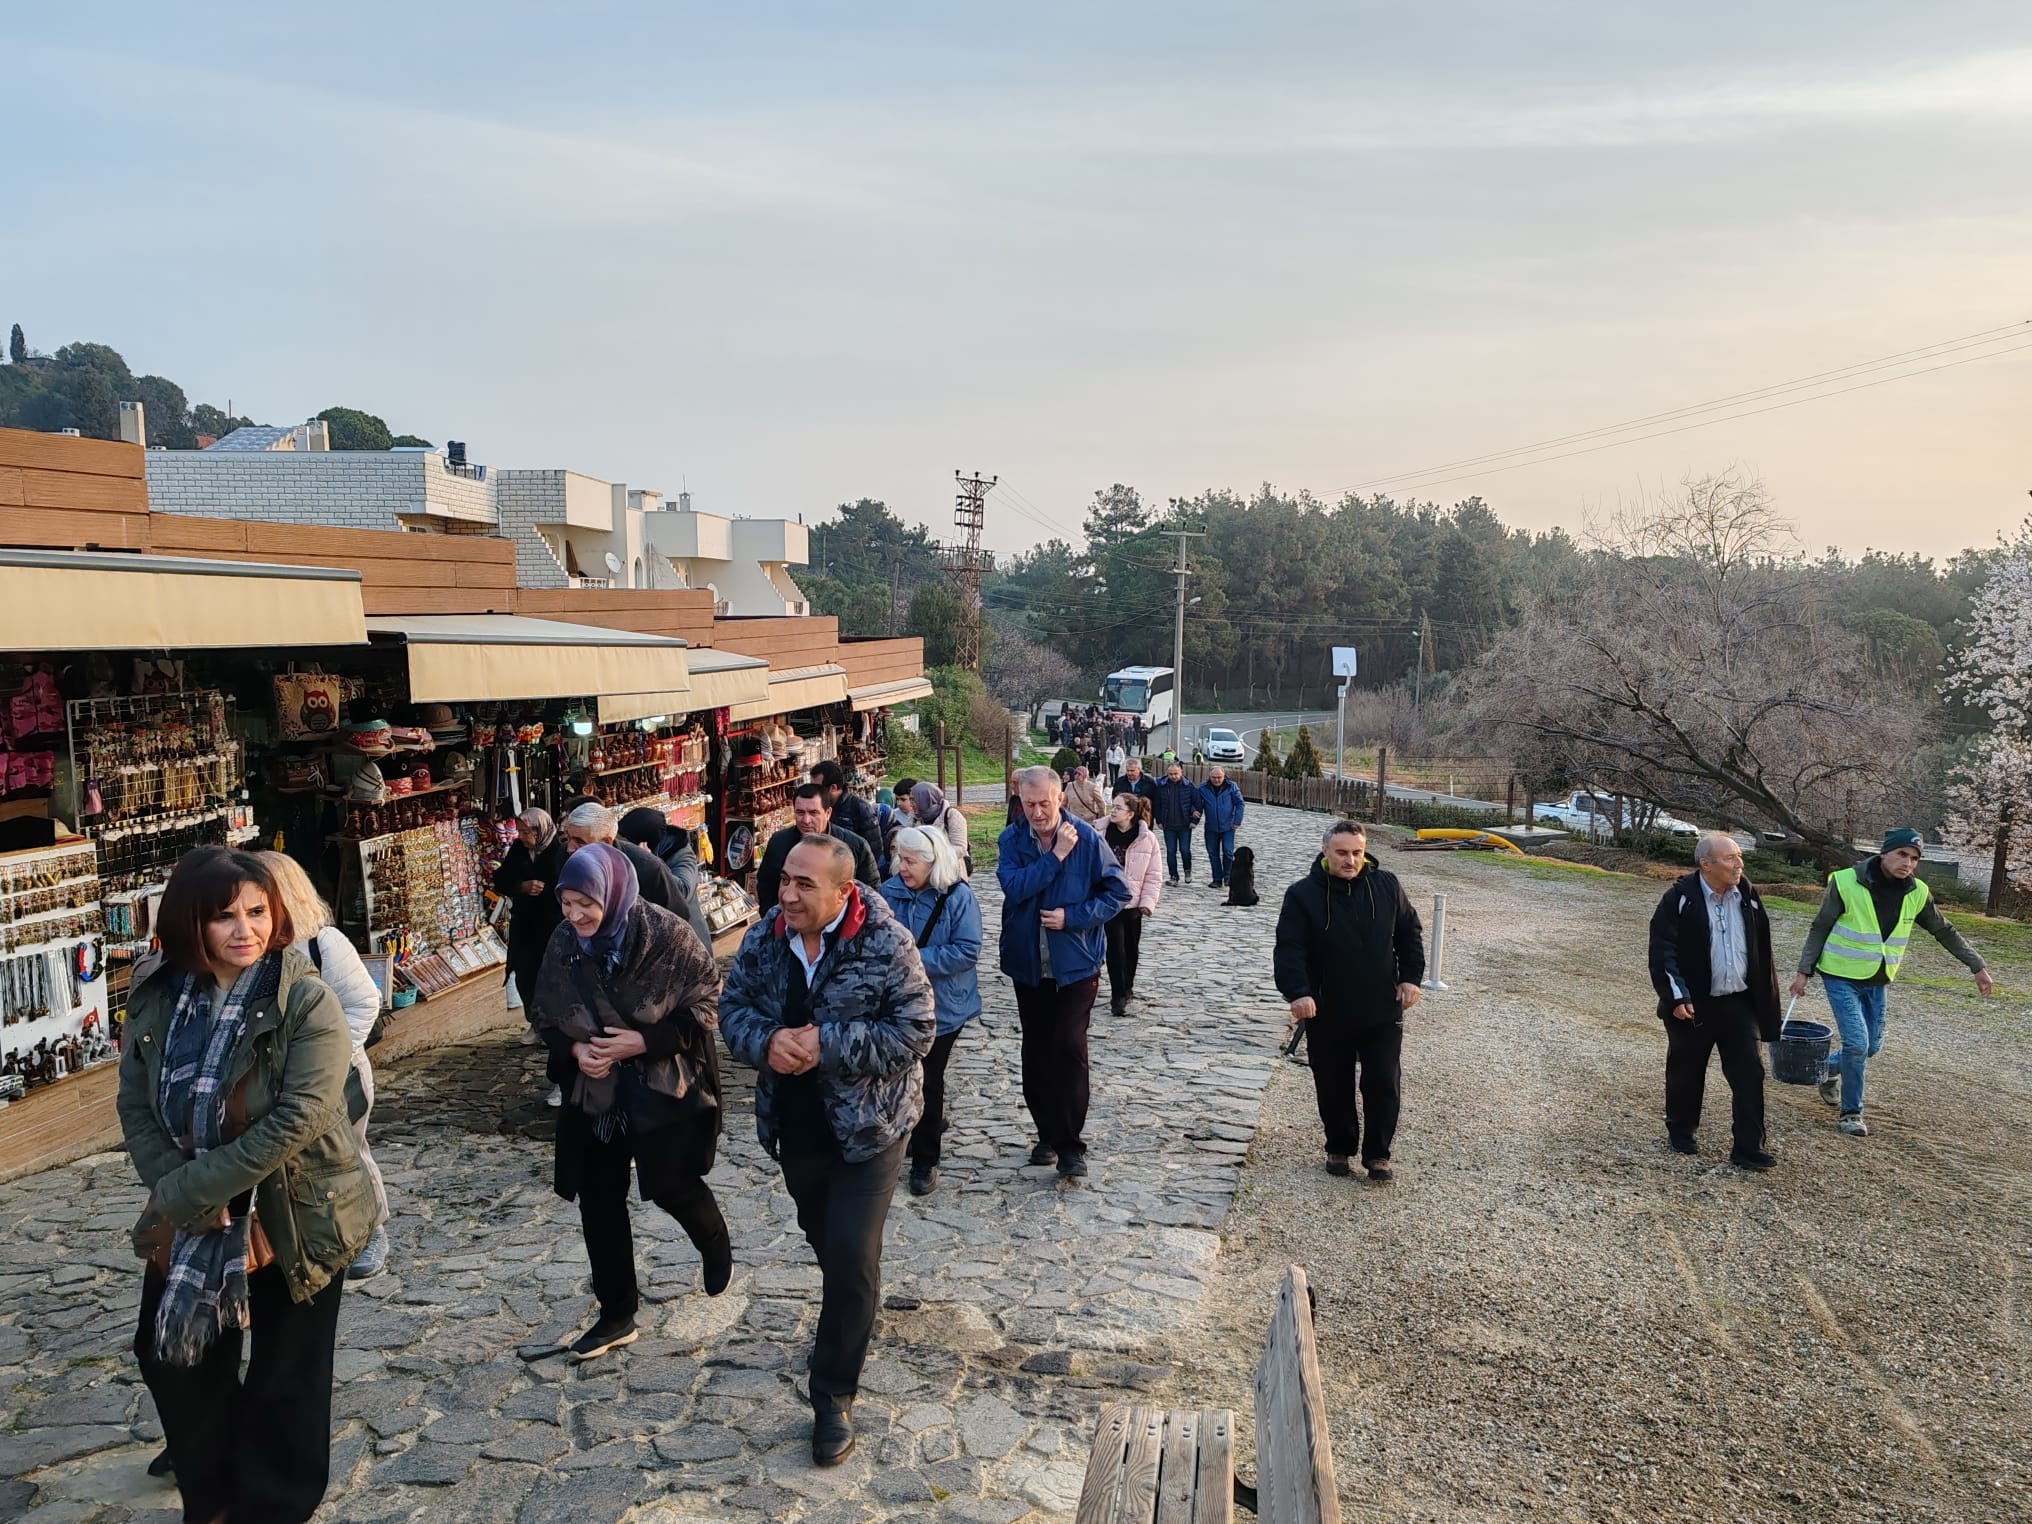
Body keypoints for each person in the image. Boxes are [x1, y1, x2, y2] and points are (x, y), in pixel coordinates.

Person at [117, 846, 373, 1524]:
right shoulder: (158, 997)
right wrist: (178, 1189)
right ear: (188, 924)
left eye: (257, 912)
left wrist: (184, 1193)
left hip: (296, 1205)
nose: (245, 930)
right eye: (224, 916)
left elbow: (299, 1119)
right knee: (172, 1354)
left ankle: (272, 1510)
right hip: (192, 1201)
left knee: (287, 1375)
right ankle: (213, 1499)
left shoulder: (304, 999)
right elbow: (135, 1107)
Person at [720, 834, 936, 1466]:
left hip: (872, 1130)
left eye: (803, 884)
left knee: (848, 1256)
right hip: (797, 1127)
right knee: (826, 1238)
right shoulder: (765, 938)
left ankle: (832, 1395)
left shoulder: (885, 941)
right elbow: (730, 1009)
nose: (787, 893)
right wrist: (767, 1042)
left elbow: (917, 1028)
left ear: (843, 891)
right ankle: (855, 1299)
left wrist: (827, 1045)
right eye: (785, 880)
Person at [531, 841, 731, 1362]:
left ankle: (712, 1238)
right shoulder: (564, 941)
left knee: (671, 1186)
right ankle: (616, 1313)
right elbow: (545, 1015)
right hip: (596, 1096)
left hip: (662, 1089)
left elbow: (708, 1003)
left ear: (612, 895)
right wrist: (577, 1050)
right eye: (566, 903)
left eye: (586, 904)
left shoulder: (666, 935)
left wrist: (642, 1042)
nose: (575, 916)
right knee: (599, 1202)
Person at [1789, 827, 1993, 1138]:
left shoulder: (1917, 893)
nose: (1907, 863)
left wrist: (1976, 966)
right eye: (1901, 854)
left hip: (1878, 979)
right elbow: (1820, 926)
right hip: (1840, 975)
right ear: (1884, 853)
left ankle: (1828, 1071)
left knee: (1871, 1046)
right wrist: (1804, 971)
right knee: (1857, 1043)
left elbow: (1944, 930)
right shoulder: (1846, 882)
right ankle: (1851, 1113)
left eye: (1914, 858)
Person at [257, 853, 392, 1279]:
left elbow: (363, 1002)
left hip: (339, 1073)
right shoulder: (252, 947)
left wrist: (327, 1062)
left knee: (349, 1150)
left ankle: (372, 1228)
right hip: (278, 1079)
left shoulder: (322, 942)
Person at [996, 766, 1132, 1179]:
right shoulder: (1012, 839)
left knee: (1069, 1046)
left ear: (1060, 799)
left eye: (1043, 803)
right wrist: (1055, 857)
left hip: (1077, 963)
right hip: (1029, 964)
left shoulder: (1088, 839)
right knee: (1036, 1050)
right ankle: (1046, 1133)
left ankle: (1071, 1144)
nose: (1036, 812)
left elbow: (1118, 893)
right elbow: (1015, 888)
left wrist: (1072, 917)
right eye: (1027, 803)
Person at [1273, 821, 1425, 1180]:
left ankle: (1378, 1154)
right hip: (1328, 1009)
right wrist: (1298, 992)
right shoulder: (1302, 894)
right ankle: (1339, 1148)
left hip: (1381, 1007)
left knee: (1383, 1081)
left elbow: (1409, 932)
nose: (1351, 860)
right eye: (1342, 853)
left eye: (1357, 852)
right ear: (1326, 852)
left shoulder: (1386, 885)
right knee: (1332, 1082)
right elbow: (1289, 949)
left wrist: (1410, 978)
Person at [1647, 833, 1782, 1169]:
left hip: (1738, 1002)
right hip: (1694, 1003)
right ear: (1706, 864)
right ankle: (1681, 1130)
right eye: (1730, 858)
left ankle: (1748, 1147)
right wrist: (1677, 996)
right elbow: (1663, 951)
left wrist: (1765, 1000)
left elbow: (1761, 950)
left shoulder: (1748, 895)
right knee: (1687, 1069)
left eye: (1739, 856)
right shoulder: (1680, 898)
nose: (1739, 863)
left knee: (1750, 1072)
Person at [880, 826, 983, 1196]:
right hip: (897, 1004)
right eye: (900, 859)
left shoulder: (957, 897)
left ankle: (926, 1158)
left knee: (928, 1074)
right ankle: (905, 1132)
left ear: (932, 861)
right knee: (897, 1072)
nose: (903, 867)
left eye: (911, 861)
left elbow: (967, 949)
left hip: (944, 1005)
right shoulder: (888, 893)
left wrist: (912, 959)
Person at [562, 802, 711, 950]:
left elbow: (677, 915)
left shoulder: (647, 867)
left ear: (606, 842)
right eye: (567, 838)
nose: (569, 848)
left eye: (579, 842)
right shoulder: (567, 859)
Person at [494, 808, 567, 1023]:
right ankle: (536, 1022)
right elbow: (502, 880)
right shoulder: (519, 849)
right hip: (525, 925)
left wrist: (546, 891)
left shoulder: (560, 851)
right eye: (520, 832)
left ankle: (555, 1022)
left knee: (553, 976)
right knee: (526, 975)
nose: (522, 837)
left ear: (540, 830)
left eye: (526, 832)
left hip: (552, 925)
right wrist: (521, 886)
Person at [756, 783, 881, 909]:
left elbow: (871, 894)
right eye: (800, 813)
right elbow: (766, 887)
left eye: (813, 813)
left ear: (828, 813)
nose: (806, 820)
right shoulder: (779, 842)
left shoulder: (855, 845)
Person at [1102, 793, 1161, 1018]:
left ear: (1130, 813)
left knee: (1131, 948)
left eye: (1118, 807)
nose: (1113, 810)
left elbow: (1154, 875)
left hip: (1133, 902)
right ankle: (1117, 995)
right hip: (1108, 901)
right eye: (1113, 806)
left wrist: (1148, 902)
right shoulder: (1100, 832)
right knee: (1115, 948)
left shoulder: (1146, 838)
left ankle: (1127, 986)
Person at [810, 758, 882, 854]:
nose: (814, 792)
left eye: (818, 788)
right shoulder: (818, 807)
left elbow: (873, 849)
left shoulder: (860, 808)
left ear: (833, 788)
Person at [1152, 761, 1203, 886]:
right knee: (1170, 851)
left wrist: (1194, 821)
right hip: (1168, 825)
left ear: (1181, 773)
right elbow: (1157, 805)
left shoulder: (1189, 786)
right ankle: (1173, 876)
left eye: (1176, 774)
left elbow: (1198, 804)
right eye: (1171, 774)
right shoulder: (1162, 787)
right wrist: (1158, 820)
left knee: (1185, 850)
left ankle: (1187, 869)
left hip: (1185, 825)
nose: (1173, 776)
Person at [1198, 765, 1246, 890]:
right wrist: (1194, 813)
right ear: (1209, 777)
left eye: (1219, 777)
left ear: (1224, 776)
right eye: (1214, 777)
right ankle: (1217, 879)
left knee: (1228, 852)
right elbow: (1196, 803)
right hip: (1211, 827)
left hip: (1228, 827)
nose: (1216, 780)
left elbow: (1240, 803)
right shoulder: (1203, 788)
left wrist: (1237, 820)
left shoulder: (1231, 787)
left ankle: (1228, 876)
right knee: (1213, 854)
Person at [908, 781, 973, 874]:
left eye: (913, 800)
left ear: (926, 798)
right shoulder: (914, 817)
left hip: (951, 873)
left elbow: (961, 848)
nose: (910, 804)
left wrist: (932, 854)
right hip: (923, 874)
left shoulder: (952, 816)